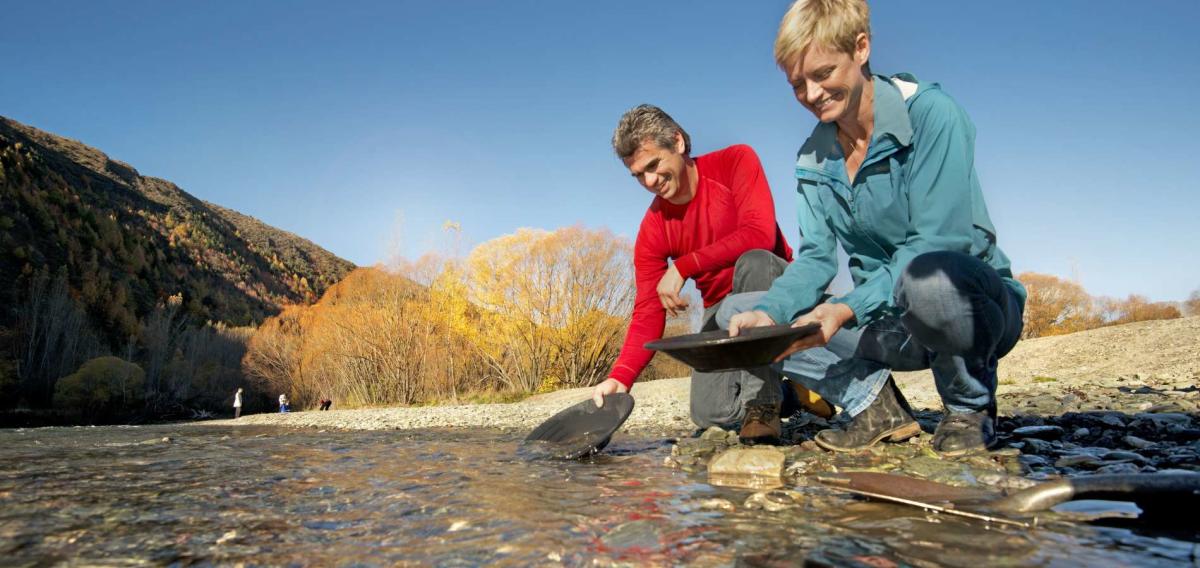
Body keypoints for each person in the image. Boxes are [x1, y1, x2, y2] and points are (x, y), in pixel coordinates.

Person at [726, 0, 1026, 456]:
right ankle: (875, 408)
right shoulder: (812, 157)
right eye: (797, 84)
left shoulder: (931, 114)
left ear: (861, 48)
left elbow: (938, 241)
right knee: (736, 315)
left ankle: (969, 407)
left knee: (928, 278)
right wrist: (771, 312)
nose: (811, 93)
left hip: (970, 310)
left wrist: (844, 309)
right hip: (887, 323)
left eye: (823, 73)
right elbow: (815, 258)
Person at [590, 104, 833, 445]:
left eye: (653, 165)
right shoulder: (653, 228)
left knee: (755, 261)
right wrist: (621, 378)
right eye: (637, 175)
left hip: (777, 291)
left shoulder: (736, 161)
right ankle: (791, 393)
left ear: (677, 143)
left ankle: (762, 405)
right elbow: (648, 309)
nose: (649, 182)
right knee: (710, 415)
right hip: (721, 308)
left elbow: (759, 234)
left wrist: (684, 266)